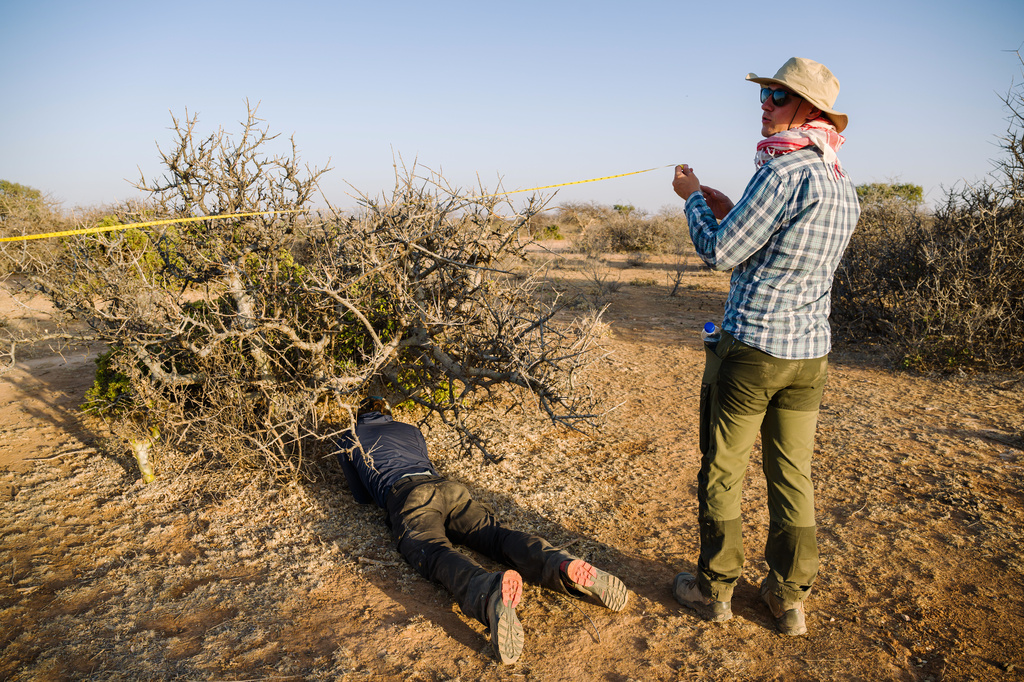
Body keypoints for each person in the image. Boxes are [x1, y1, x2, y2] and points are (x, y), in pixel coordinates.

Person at [669, 57, 859, 636]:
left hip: (752, 349)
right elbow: (782, 254)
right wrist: (731, 213)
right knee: (792, 473)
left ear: (810, 109)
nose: (766, 104)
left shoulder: (779, 173)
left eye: (778, 95)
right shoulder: (840, 183)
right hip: (809, 357)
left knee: (723, 470)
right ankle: (789, 599)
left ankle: (715, 589)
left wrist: (695, 198)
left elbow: (720, 254)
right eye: (766, 94)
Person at [334, 395, 628, 664]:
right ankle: (559, 563)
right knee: (494, 535)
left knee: (435, 551)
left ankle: (487, 592)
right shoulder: (410, 428)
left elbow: (361, 498)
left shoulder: (350, 437)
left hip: (408, 497)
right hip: (447, 488)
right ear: (387, 413)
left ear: (359, 417)